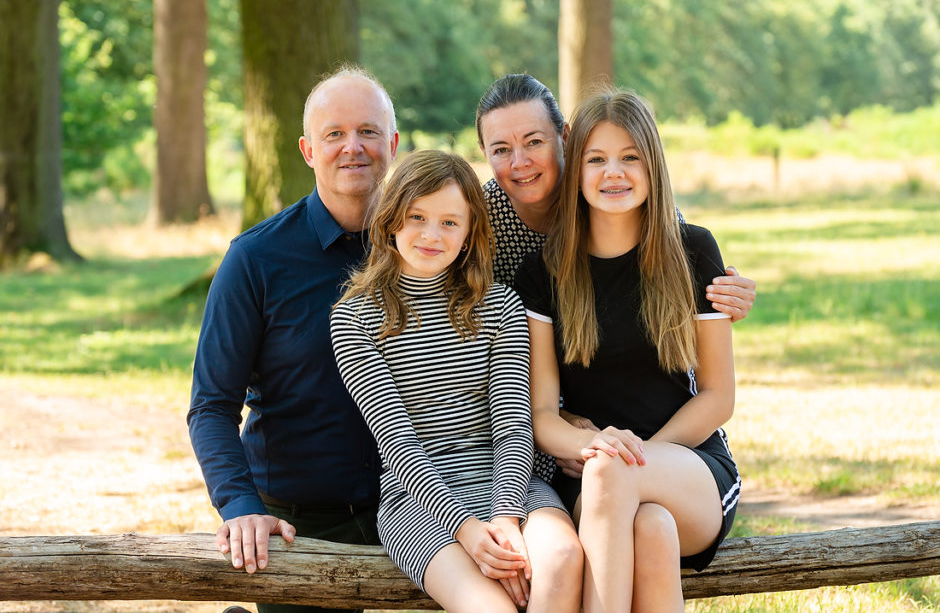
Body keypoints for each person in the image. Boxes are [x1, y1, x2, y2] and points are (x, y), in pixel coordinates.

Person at [513, 89, 740, 612]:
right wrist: (592, 452)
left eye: (629, 157)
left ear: (652, 164)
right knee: (650, 529)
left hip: (690, 465)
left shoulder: (693, 249)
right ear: (577, 170)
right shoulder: (543, 273)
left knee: (619, 481)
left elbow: (717, 397)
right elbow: (542, 414)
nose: (613, 172)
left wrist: (631, 459)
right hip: (591, 478)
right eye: (596, 159)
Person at [329, 150, 582, 613]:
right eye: (417, 217)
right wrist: (467, 529)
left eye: (450, 222)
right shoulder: (355, 317)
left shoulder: (501, 306)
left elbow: (512, 426)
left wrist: (505, 519)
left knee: (563, 558)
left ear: (469, 235)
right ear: (389, 222)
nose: (431, 234)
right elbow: (398, 444)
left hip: (509, 483)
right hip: (419, 500)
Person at [187, 66, 399, 613]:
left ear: (393, 144)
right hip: (296, 526)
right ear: (308, 150)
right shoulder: (255, 260)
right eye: (335, 134)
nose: (353, 147)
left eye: (369, 132)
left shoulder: (430, 249)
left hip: (415, 516)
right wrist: (239, 506)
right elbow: (211, 406)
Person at [475, 73, 755, 481]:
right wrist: (566, 425)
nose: (520, 162)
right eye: (501, 149)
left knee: (642, 510)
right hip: (542, 431)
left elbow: (675, 276)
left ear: (565, 138)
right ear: (484, 153)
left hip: (658, 439)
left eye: (534, 141)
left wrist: (726, 294)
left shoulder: (633, 209)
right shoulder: (476, 228)